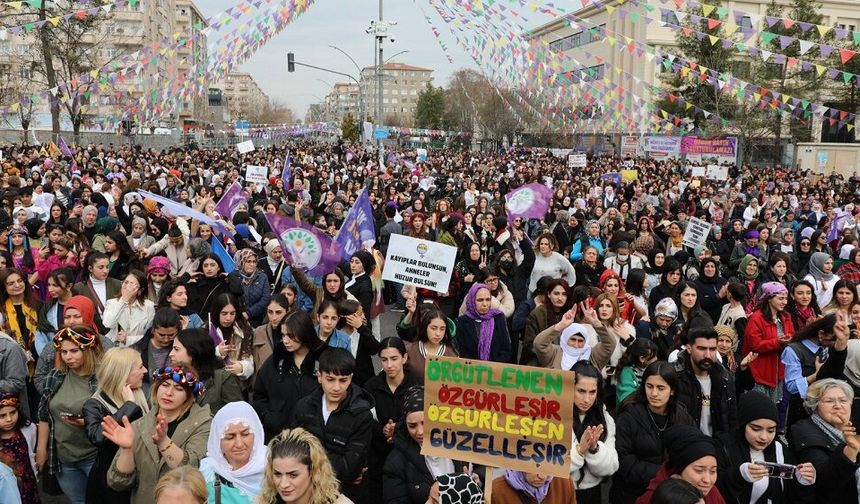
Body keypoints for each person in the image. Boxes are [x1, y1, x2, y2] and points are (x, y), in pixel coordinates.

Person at [103, 366, 211, 504]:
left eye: (179, 389)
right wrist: (127, 450)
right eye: (165, 385)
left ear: (189, 396)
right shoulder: (139, 425)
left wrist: (164, 442)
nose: (169, 392)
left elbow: (191, 470)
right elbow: (117, 483)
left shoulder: (202, 423)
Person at [290, 348, 374, 503]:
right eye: (330, 379)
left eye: (343, 380)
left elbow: (349, 470)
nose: (336, 387)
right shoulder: (303, 407)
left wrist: (309, 457)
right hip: (307, 492)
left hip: (345, 495)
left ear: (351, 379)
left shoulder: (361, 415)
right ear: (319, 376)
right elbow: (292, 453)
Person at [36, 325, 104, 504]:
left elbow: (115, 417)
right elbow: (44, 415)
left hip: (94, 457)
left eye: (74, 350)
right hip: (64, 460)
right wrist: (41, 449)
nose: (68, 357)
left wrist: (90, 422)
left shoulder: (102, 378)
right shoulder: (55, 376)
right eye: (64, 352)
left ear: (88, 349)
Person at [611, 361, 694, 504]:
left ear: (672, 390)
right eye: (649, 386)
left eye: (661, 388)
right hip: (632, 494)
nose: (654, 393)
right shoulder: (628, 416)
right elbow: (623, 460)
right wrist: (664, 475)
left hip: (670, 495)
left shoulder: (681, 415)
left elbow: (693, 447)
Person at [716, 391, 816, 504]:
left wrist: (803, 482)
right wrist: (739, 475)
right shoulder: (723, 447)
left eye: (771, 430)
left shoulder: (780, 449)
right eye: (756, 429)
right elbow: (713, 492)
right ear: (743, 425)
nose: (764, 437)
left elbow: (794, 496)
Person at [82, 347, 149, 504]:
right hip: (111, 484)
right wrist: (129, 406)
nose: (145, 370)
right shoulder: (94, 405)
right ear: (123, 374)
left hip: (141, 477)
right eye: (140, 367)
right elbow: (98, 436)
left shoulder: (143, 393)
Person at [253, 310, 326, 440]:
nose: (285, 340)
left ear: (304, 333)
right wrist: (268, 417)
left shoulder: (324, 358)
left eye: (291, 336)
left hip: (315, 437)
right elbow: (259, 394)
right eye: (283, 335)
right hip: (279, 437)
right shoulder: (276, 359)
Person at [364, 338, 420, 500]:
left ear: (404, 358)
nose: (389, 365)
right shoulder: (371, 387)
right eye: (384, 360)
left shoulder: (417, 384)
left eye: (394, 359)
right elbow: (365, 420)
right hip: (378, 458)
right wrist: (383, 429)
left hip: (410, 458)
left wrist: (400, 428)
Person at [789, 378, 860, 504]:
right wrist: (850, 451)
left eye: (843, 400)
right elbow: (824, 482)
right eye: (829, 401)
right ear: (815, 405)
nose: (838, 406)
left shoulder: (852, 429)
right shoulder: (803, 431)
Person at [672, 315, 738, 437]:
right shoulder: (674, 376)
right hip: (685, 446)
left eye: (712, 349)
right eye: (702, 349)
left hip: (716, 446)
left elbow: (731, 419)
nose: (707, 355)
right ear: (689, 348)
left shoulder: (725, 378)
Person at [255, 427, 352, 504]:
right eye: (277, 474)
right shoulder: (264, 501)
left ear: (313, 472)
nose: (283, 484)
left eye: (293, 475)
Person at [635, 425, 725, 504]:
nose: (707, 480)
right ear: (678, 470)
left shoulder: (710, 491)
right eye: (699, 470)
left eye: (713, 471)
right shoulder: (651, 499)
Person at [569, 361, 619, 504]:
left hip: (591, 494)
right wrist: (579, 451)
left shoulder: (605, 419)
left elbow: (611, 467)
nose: (587, 399)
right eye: (581, 391)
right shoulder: (555, 416)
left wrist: (594, 449)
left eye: (592, 392)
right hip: (559, 490)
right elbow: (549, 462)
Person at [198, 401, 266, 504]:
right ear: (218, 441)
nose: (239, 444)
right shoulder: (208, 471)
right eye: (230, 437)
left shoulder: (273, 466)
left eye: (245, 434)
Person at [168, 328, 242, 415]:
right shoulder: (174, 377)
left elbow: (237, 414)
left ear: (193, 352)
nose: (170, 354)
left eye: (176, 349)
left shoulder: (223, 378)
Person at [743, 282, 795, 404]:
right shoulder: (756, 318)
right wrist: (777, 342)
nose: (784, 302)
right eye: (780, 298)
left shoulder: (785, 316)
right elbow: (754, 345)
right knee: (759, 408)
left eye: (785, 299)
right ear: (769, 298)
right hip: (760, 371)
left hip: (778, 370)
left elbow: (792, 334)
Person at [532, 305, 617, 371]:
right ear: (565, 339)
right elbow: (539, 344)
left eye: (580, 341)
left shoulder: (593, 356)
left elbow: (610, 344)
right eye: (572, 339)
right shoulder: (555, 353)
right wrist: (561, 325)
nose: (576, 345)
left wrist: (597, 324)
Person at [522, 279, 573, 366]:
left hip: (566, 359)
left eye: (564, 294)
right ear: (549, 294)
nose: (560, 298)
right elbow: (529, 344)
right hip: (540, 358)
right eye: (556, 293)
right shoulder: (537, 314)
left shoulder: (571, 314)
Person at [456, 282, 511, 363]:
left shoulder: (498, 318)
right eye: (480, 300)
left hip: (495, 370)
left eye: (488, 299)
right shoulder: (462, 322)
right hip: (471, 370)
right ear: (472, 301)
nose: (485, 304)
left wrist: (492, 368)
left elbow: (506, 350)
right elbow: (461, 352)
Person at [403, 305, 458, 382]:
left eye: (442, 329)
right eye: (433, 328)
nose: (438, 333)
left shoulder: (451, 354)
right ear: (425, 327)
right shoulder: (410, 350)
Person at [0, 393, 38, 504]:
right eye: (2, 416)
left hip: (29, 485)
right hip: (7, 490)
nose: (9, 419)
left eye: (13, 413)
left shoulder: (28, 429)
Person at [209, 293, 255, 384]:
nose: (228, 318)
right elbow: (202, 359)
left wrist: (242, 367)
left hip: (237, 384)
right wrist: (217, 352)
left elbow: (249, 358)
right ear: (217, 312)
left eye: (232, 313)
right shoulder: (208, 329)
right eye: (224, 313)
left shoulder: (244, 330)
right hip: (214, 382)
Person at [102, 270, 155, 347]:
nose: (126, 286)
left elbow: (150, 335)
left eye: (132, 284)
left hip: (138, 349)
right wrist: (124, 300)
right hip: (115, 349)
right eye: (126, 282)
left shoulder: (149, 306)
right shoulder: (112, 303)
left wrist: (128, 339)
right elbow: (108, 324)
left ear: (140, 290)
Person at [73, 252, 122, 333]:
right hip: (92, 331)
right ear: (90, 268)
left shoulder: (117, 284)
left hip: (115, 331)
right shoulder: (79, 288)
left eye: (107, 267)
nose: (105, 271)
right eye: (101, 267)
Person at [251, 293, 290, 387]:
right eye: (270, 312)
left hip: (286, 386)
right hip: (262, 387)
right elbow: (255, 362)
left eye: (278, 312)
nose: (274, 317)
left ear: (288, 311)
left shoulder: (294, 333)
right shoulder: (259, 332)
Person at [229, 248, 271, 326]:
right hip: (236, 320)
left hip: (258, 321)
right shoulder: (233, 276)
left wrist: (249, 313)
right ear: (241, 262)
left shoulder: (262, 277)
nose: (252, 264)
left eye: (254, 261)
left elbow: (265, 299)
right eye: (248, 261)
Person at [616, 338, 658, 406]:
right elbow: (627, 398)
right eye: (653, 357)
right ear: (642, 358)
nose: (656, 359)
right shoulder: (626, 373)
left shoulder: (651, 369)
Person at [491, 470, 575, 504]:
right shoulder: (496, 491)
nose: (543, 477)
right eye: (537, 467)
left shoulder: (564, 483)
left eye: (547, 468)